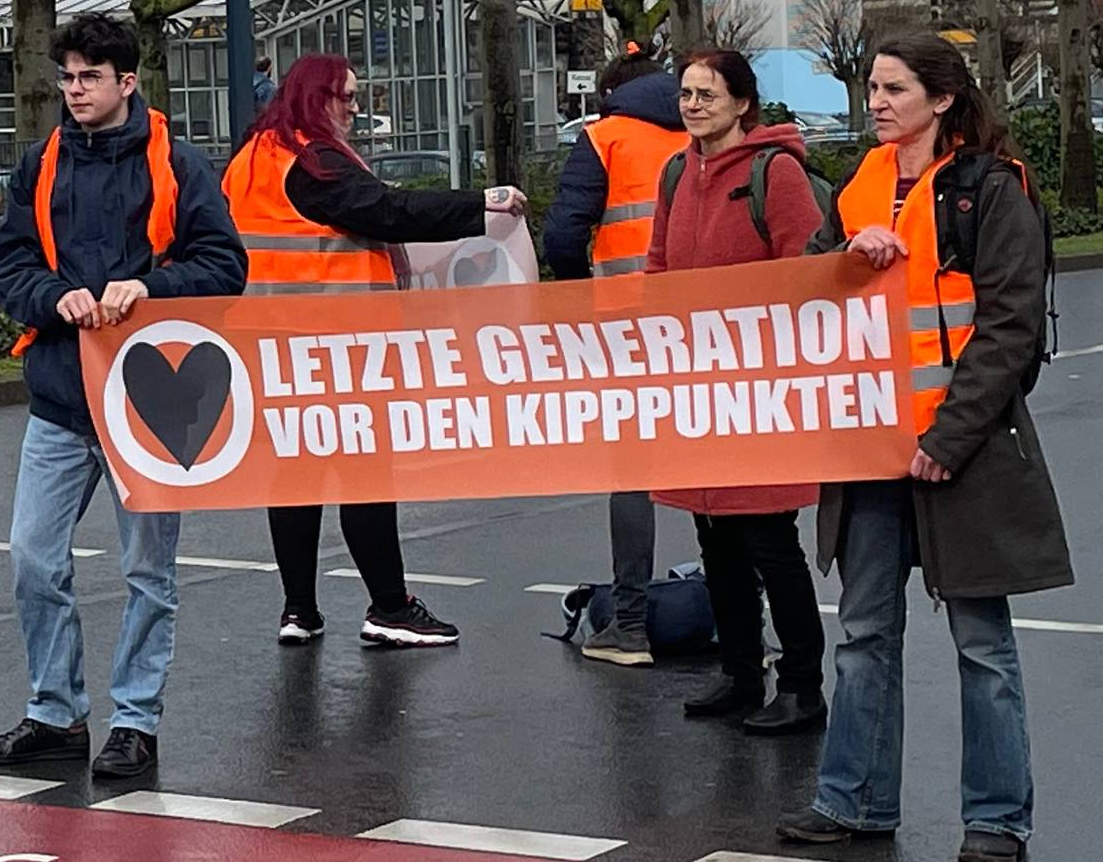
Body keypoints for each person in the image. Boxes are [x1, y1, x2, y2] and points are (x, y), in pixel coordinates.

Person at [777, 34, 1068, 862]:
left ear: (940, 99)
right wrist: (841, 257)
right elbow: (801, 293)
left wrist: (946, 438)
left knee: (982, 645)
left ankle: (995, 822)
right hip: (873, 452)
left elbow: (1010, 328)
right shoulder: (859, 188)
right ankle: (855, 802)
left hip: (959, 454)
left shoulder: (990, 190)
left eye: (893, 88)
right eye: (872, 86)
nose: (876, 101)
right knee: (863, 632)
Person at [0, 13, 244, 780]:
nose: (75, 89)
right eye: (67, 76)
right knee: (32, 557)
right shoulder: (41, 165)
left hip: (151, 409)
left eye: (90, 76)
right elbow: (9, 267)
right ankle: (56, 713)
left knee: (146, 572)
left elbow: (225, 265)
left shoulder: (179, 167)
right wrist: (53, 297)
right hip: (61, 398)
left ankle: (135, 721)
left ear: (129, 82)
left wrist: (149, 288)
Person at [225, 54, 524, 649]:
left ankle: (299, 609)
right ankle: (390, 606)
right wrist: (480, 203)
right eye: (349, 98)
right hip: (339, 343)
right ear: (319, 99)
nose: (357, 111)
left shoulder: (251, 159)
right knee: (365, 473)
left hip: (275, 343)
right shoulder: (314, 160)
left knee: (295, 477)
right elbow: (385, 210)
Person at [644, 49, 827, 734]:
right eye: (687, 94)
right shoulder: (676, 171)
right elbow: (660, 265)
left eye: (708, 95)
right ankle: (742, 674)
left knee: (769, 540)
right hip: (699, 386)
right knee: (715, 535)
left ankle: (802, 685)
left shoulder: (773, 172)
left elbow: (804, 271)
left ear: (743, 104)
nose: (693, 106)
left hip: (758, 390)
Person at [541, 50, 689, 669]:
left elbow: (562, 236)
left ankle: (629, 627)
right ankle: (747, 626)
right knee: (726, 472)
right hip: (714, 323)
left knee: (633, 473)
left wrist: (581, 294)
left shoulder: (604, 139)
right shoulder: (708, 129)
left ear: (612, 96)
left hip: (628, 326)